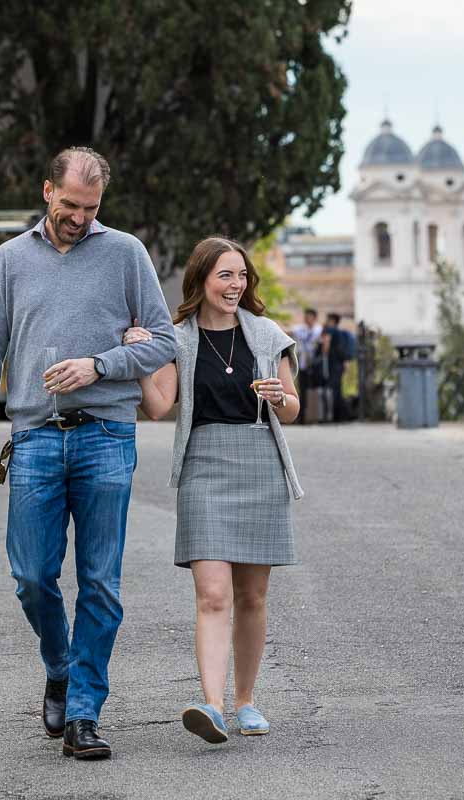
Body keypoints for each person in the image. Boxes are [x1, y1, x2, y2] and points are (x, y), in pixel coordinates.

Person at [0, 147, 176, 760]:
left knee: (100, 584)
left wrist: (99, 365)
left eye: (92, 208)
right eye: (71, 205)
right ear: (47, 191)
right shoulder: (10, 260)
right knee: (31, 576)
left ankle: (84, 712)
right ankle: (60, 666)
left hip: (106, 435)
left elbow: (162, 342)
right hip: (31, 438)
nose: (80, 218)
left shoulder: (126, 253)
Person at [121, 236, 303, 744]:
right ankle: (213, 706)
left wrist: (279, 396)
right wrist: (138, 357)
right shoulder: (176, 339)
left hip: (259, 463)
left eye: (241, 276)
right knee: (213, 593)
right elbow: (159, 407)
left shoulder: (267, 335)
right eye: (225, 275)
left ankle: (246, 701)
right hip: (202, 465)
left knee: (252, 594)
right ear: (201, 279)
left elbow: (292, 408)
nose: (235, 285)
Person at [290, 308, 322, 422]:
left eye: (309, 316)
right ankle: (302, 416)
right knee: (302, 390)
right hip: (303, 364)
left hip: (316, 365)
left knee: (314, 390)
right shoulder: (300, 330)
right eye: (306, 316)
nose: (306, 319)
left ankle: (315, 415)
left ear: (314, 317)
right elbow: (289, 333)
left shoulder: (319, 330)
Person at [323, 312, 354, 421]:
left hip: (333, 363)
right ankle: (342, 415)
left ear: (332, 320)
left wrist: (323, 355)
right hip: (339, 363)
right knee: (338, 389)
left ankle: (338, 415)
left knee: (334, 389)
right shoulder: (340, 332)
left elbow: (326, 345)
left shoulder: (330, 330)